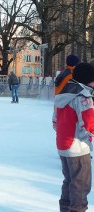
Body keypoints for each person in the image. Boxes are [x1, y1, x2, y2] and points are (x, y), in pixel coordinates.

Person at [53, 62, 94, 212]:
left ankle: (65, 209)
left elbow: (55, 120)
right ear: (88, 79)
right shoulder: (83, 96)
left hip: (63, 145)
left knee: (70, 181)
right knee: (81, 185)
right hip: (78, 147)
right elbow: (90, 123)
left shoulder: (63, 93)